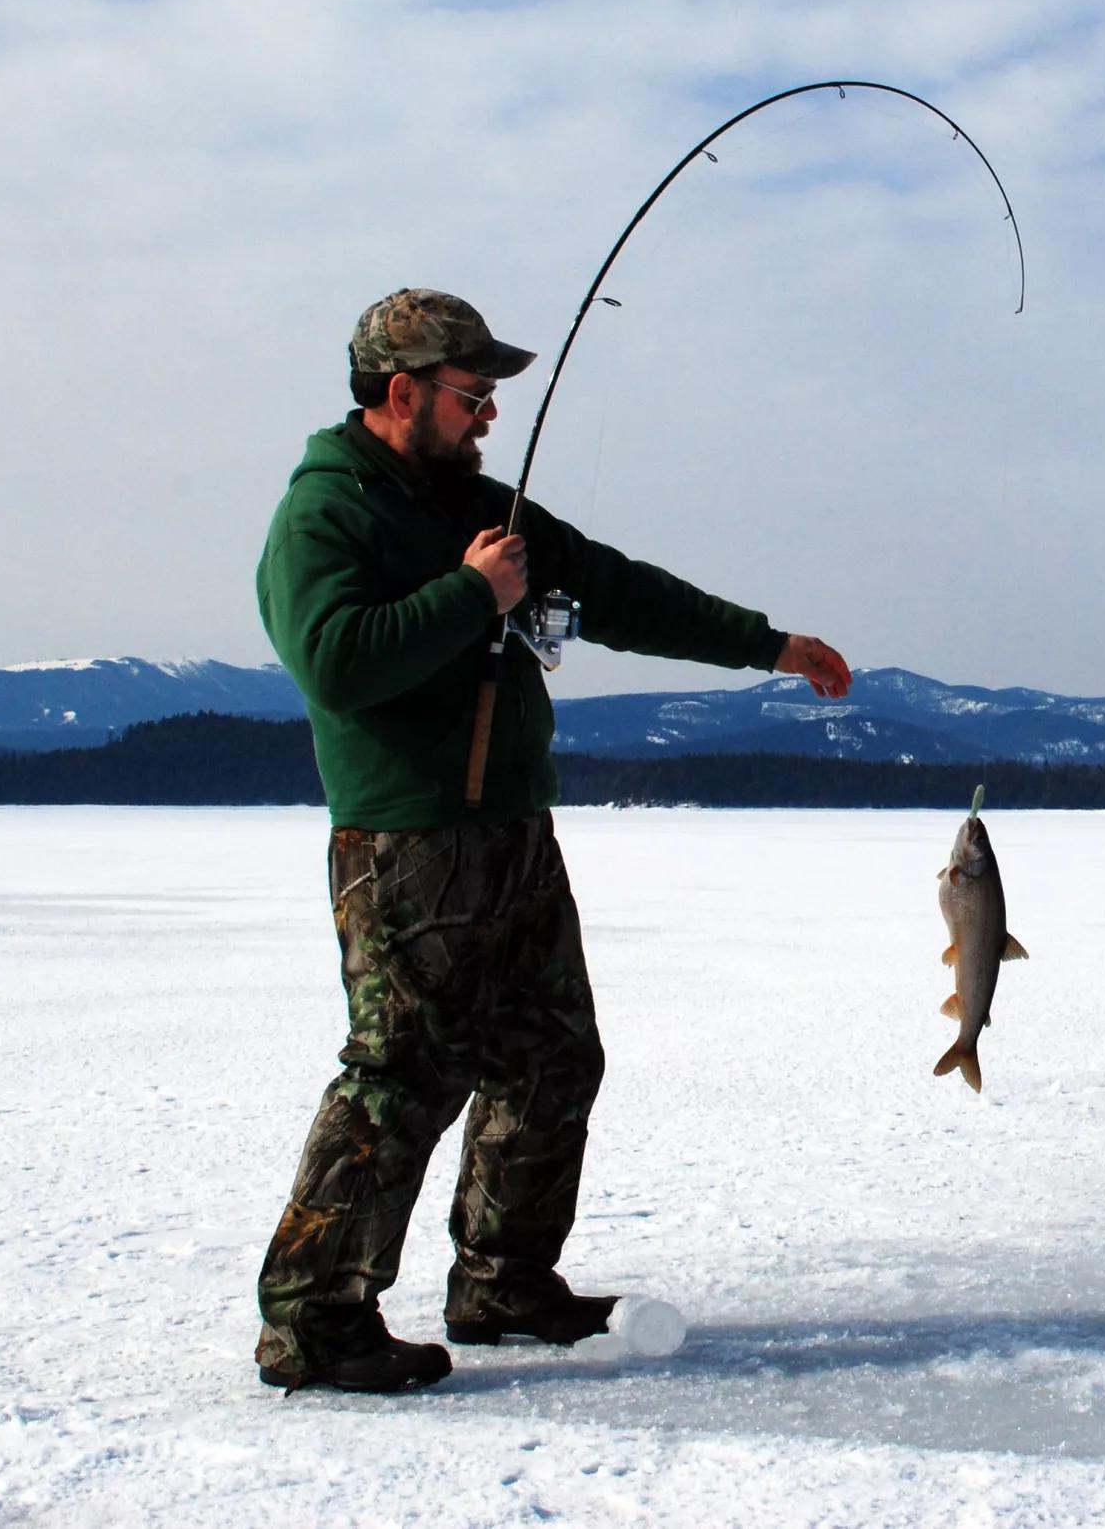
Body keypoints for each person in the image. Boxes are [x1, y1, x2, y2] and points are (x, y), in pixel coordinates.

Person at [251, 287, 851, 1394]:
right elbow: (334, 662)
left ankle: (503, 1280)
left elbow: (615, 590)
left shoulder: (485, 502)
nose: (488, 415)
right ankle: (312, 1319)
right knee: (401, 1076)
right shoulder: (327, 513)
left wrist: (767, 645)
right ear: (402, 394)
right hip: (411, 842)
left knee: (551, 1055)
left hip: (513, 831)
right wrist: (469, 595)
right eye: (471, 394)